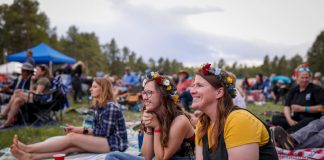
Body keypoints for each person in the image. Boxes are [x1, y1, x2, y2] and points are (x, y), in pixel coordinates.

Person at [10, 77, 128, 159]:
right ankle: (30, 157)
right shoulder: (99, 105)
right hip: (106, 140)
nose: (90, 89)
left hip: (115, 143)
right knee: (71, 147)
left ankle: (28, 148)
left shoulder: (111, 107)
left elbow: (104, 133)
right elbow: (96, 128)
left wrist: (80, 131)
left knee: (72, 138)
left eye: (94, 87)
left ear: (103, 89)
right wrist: (79, 129)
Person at [192, 63, 278, 160]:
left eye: (199, 85)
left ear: (219, 92)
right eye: (193, 85)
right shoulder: (203, 122)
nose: (192, 91)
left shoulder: (239, 120)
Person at [105, 72, 195, 160]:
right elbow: (147, 157)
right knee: (113, 156)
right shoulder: (152, 115)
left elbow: (162, 157)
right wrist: (149, 127)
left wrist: (157, 127)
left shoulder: (180, 120)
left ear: (163, 95)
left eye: (149, 92)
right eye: (144, 93)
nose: (144, 97)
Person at [272, 64, 324, 133]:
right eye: (302, 78)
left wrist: (303, 108)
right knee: (275, 118)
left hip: (310, 118)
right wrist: (289, 120)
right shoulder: (293, 90)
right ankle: (292, 130)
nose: (305, 80)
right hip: (295, 119)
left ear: (310, 78)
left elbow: (321, 108)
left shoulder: (316, 89)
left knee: (308, 122)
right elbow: (286, 106)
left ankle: (288, 134)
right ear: (297, 78)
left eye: (307, 78)